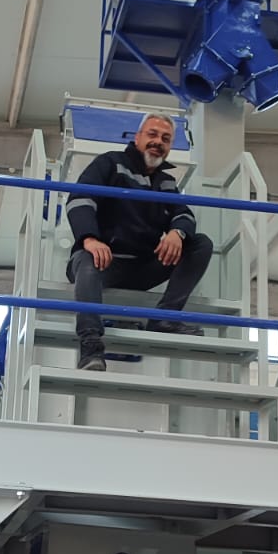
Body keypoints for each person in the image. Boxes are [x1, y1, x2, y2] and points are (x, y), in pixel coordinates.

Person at [65, 112, 214, 371]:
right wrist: (90, 239)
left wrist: (177, 233)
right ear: (137, 138)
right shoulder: (110, 163)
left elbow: (184, 214)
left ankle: (165, 318)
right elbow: (80, 199)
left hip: (142, 268)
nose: (158, 142)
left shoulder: (166, 181)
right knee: (88, 259)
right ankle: (90, 347)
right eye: (152, 134)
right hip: (102, 262)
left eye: (165, 139)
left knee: (200, 243)